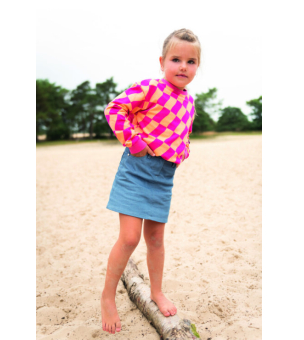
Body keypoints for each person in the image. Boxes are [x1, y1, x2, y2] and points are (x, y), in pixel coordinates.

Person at [101, 28, 200, 335]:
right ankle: (107, 297)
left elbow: (182, 134)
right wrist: (133, 141)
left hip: (164, 178)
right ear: (162, 62)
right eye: (176, 59)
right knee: (130, 238)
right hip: (136, 169)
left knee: (155, 239)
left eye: (191, 61)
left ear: (197, 67)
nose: (183, 66)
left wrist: (182, 151)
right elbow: (114, 109)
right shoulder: (149, 88)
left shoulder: (189, 102)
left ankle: (156, 291)